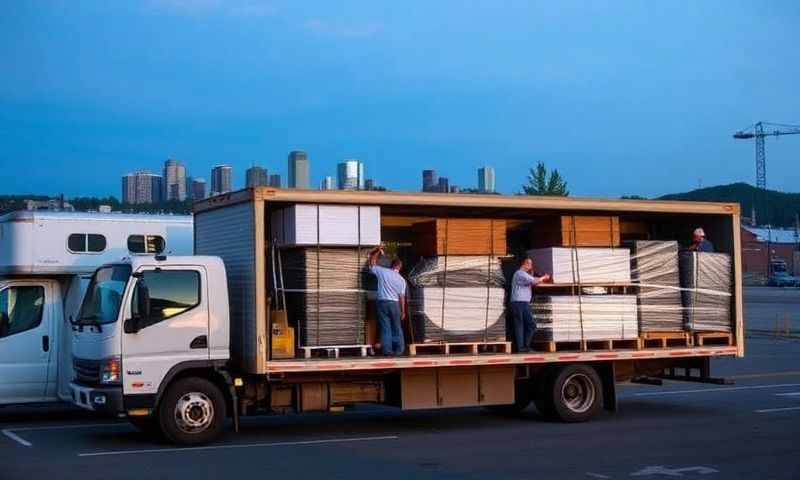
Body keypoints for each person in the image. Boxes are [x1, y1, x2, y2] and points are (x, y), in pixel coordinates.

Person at [368, 244, 407, 356]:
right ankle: (399, 350)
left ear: (391, 265)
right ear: (399, 267)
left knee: (386, 328)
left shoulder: (383, 272)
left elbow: (372, 263)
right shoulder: (401, 280)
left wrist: (377, 251)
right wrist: (403, 311)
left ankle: (387, 351)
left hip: (382, 303)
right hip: (394, 304)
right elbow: (402, 297)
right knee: (397, 327)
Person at [510, 257, 550, 352]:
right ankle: (524, 347)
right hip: (520, 302)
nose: (531, 266)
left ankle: (522, 347)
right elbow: (534, 281)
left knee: (521, 325)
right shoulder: (520, 273)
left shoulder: (521, 275)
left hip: (520, 302)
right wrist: (544, 277)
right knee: (530, 325)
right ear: (525, 264)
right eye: (529, 264)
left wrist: (540, 279)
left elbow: (532, 281)